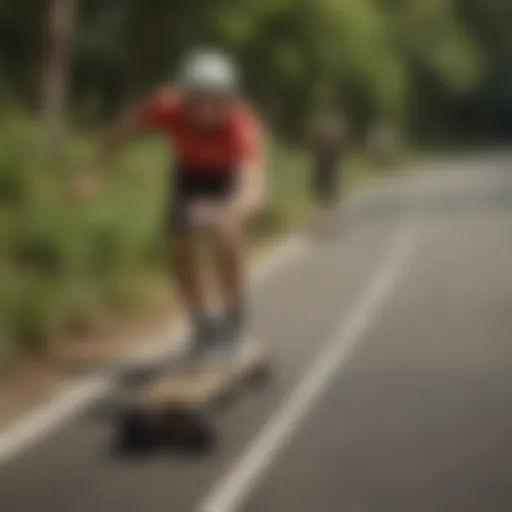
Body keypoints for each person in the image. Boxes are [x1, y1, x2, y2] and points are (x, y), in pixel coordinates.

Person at [72, 49, 266, 360]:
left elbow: (253, 187)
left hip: (227, 179)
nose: (207, 110)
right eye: (199, 100)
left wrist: (228, 213)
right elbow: (121, 131)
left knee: (227, 238)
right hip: (189, 173)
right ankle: (201, 324)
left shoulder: (241, 124)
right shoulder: (166, 106)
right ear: (186, 96)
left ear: (229, 99)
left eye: (216, 100)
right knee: (180, 244)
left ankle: (234, 320)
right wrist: (91, 172)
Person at [311, 113, 347, 207]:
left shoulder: (330, 136)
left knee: (331, 176)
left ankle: (330, 194)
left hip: (330, 158)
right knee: (326, 176)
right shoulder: (326, 136)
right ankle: (325, 194)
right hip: (325, 158)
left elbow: (339, 146)